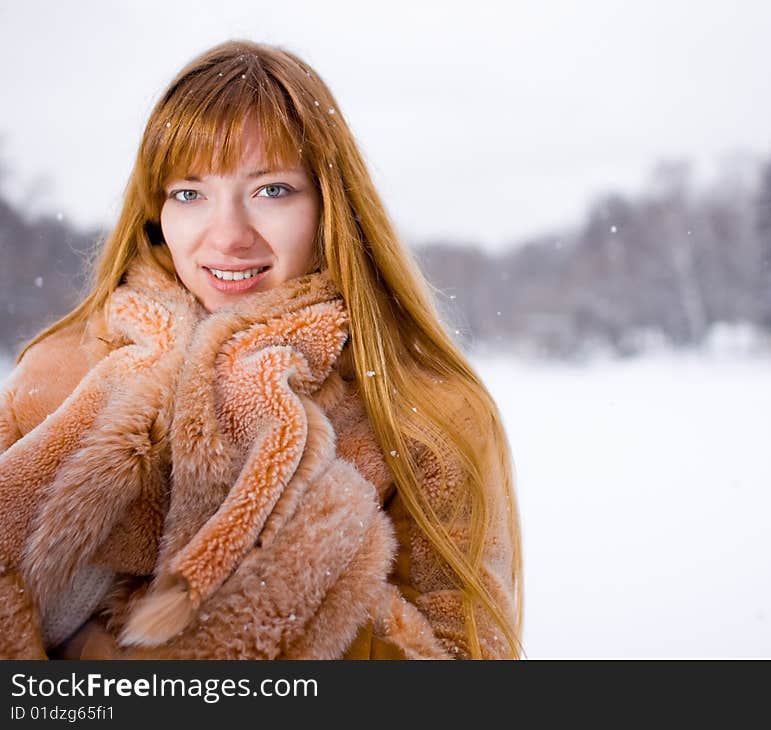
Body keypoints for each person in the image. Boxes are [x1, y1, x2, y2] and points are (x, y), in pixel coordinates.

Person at [0, 39, 523, 660]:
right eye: (189, 194)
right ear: (154, 212)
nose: (227, 236)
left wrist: (306, 573)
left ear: (331, 205)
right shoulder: (57, 376)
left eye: (271, 190)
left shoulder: (429, 411)